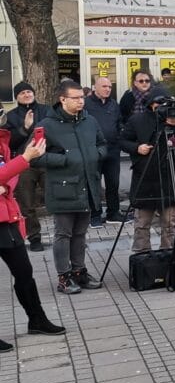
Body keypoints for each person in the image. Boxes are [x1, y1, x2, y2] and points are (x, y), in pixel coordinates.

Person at [32, 81, 108, 293]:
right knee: (63, 234)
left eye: (82, 97)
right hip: (63, 188)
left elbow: (103, 144)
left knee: (80, 233)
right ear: (62, 99)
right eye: (75, 98)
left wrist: (96, 155)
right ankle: (63, 276)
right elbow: (33, 158)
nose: (80, 101)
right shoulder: (47, 125)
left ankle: (79, 271)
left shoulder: (89, 121)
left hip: (87, 185)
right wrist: (63, 159)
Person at [0, 130, 65, 352]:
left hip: (6, 217)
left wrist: (6, 186)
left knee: (24, 272)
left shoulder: (2, 141)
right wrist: (25, 158)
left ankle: (36, 320)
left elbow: (10, 174)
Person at [121, 89, 175, 254]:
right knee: (142, 224)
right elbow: (121, 140)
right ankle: (142, 258)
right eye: (159, 105)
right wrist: (137, 148)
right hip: (145, 177)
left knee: (170, 223)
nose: (163, 108)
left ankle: (169, 257)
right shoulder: (137, 120)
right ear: (151, 105)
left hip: (170, 178)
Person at [5, 82, 54, 251]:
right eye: (22, 93)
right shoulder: (10, 117)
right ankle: (34, 238)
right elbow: (8, 144)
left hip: (47, 161)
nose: (26, 94)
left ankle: (63, 234)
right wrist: (25, 128)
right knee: (27, 203)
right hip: (24, 165)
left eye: (29, 91)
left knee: (56, 198)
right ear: (16, 97)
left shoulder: (47, 110)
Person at [85, 77, 123, 227]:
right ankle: (94, 214)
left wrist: (119, 136)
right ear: (95, 87)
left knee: (113, 183)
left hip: (113, 150)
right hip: (94, 150)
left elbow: (119, 122)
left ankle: (113, 213)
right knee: (94, 184)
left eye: (109, 87)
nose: (107, 89)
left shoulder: (114, 104)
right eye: (104, 86)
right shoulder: (86, 104)